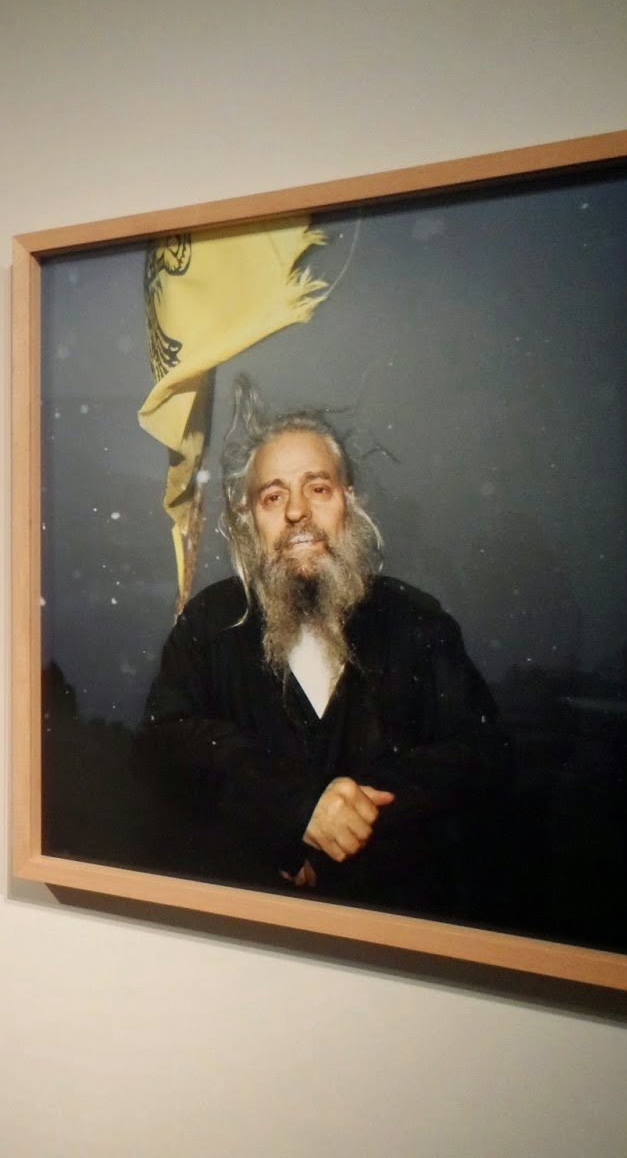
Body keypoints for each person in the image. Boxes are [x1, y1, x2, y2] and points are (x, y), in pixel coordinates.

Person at [136, 384, 506, 914]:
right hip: (242, 919)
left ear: (349, 502)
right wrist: (293, 809)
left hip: (391, 924)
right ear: (248, 519)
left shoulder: (418, 623)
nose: (296, 512)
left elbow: (480, 755)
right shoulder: (209, 623)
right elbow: (165, 744)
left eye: (318, 488)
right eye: (273, 496)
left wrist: (350, 826)